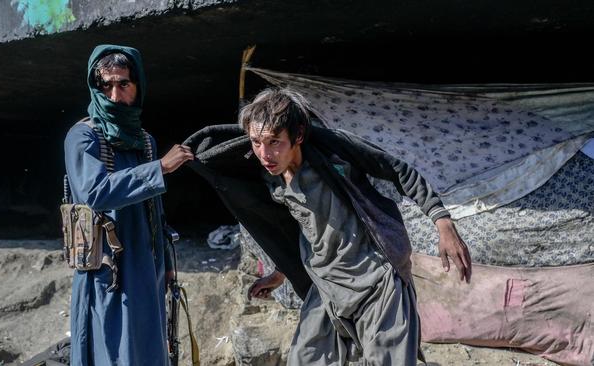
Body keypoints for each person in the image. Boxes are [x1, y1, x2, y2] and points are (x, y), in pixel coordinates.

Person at [184, 88, 471, 365]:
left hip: (376, 278)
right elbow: (303, 228)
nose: (264, 153)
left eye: (274, 142)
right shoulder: (270, 178)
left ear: (297, 136)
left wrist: (443, 223)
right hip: (325, 284)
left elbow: (400, 170)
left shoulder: (331, 152)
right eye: (256, 142)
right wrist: (281, 272)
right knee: (305, 358)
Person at [63, 44, 193, 366]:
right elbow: (95, 194)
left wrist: (164, 262)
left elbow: (154, 210)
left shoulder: (143, 140)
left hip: (147, 268)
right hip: (109, 272)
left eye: (123, 83)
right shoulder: (84, 137)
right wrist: (159, 168)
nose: (114, 94)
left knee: (150, 350)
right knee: (112, 351)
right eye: (105, 85)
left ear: (138, 86)